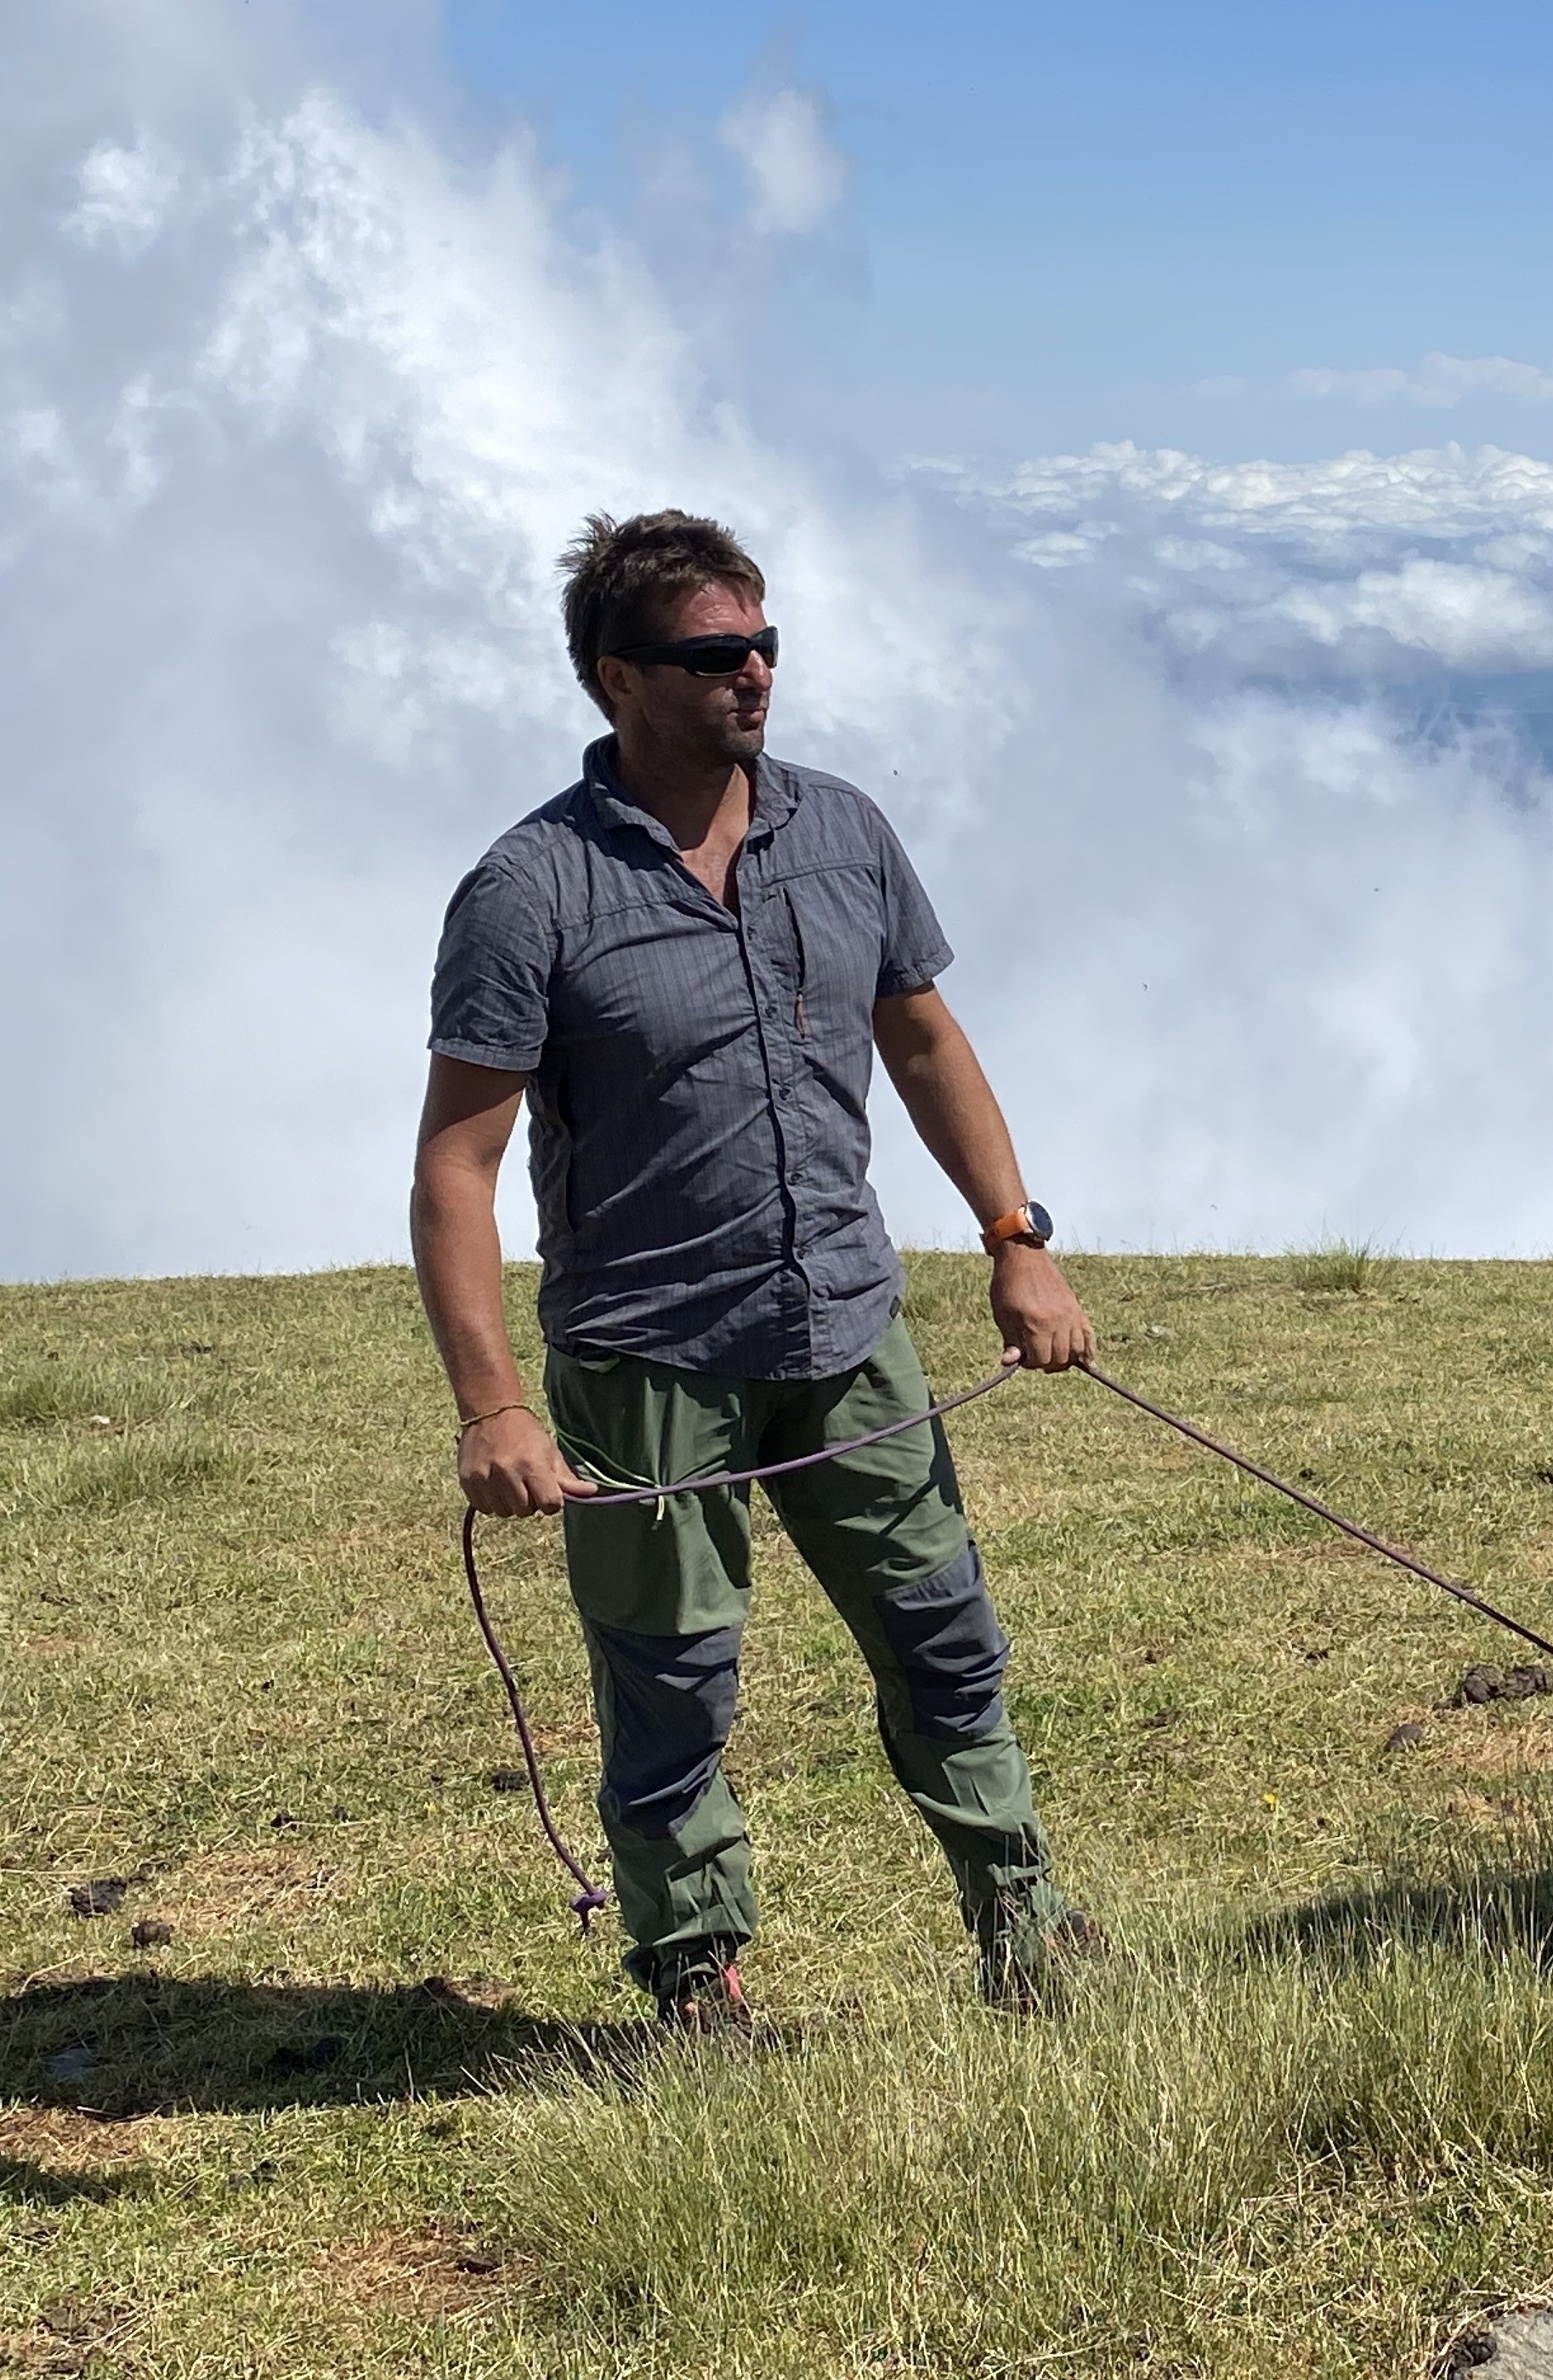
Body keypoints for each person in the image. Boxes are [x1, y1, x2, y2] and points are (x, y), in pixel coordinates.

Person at [411, 508, 1100, 2026]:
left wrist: (1014, 1241)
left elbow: (921, 1038)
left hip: (847, 1326)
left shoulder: (843, 831)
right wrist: (492, 1407)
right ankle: (693, 1974)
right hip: (646, 1355)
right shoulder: (530, 889)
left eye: (765, 645)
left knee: (948, 1637)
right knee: (671, 1684)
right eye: (713, 654)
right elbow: (457, 1162)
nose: (755, 676)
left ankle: (1028, 1927)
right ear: (618, 678)